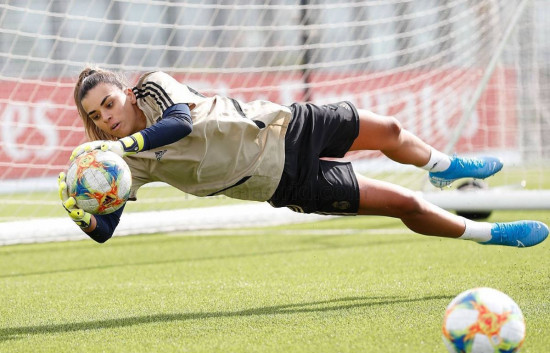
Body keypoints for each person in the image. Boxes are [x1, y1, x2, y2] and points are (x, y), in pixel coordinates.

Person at [58, 67, 549, 246]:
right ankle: (489, 235)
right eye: (96, 116)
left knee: (391, 131)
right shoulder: (123, 166)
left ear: (124, 92)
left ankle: (446, 169)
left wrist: (117, 145)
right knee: (405, 205)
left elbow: (179, 124)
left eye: (109, 103)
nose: (106, 117)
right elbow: (106, 230)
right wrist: (82, 211)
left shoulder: (151, 89)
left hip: (287, 124)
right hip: (280, 182)